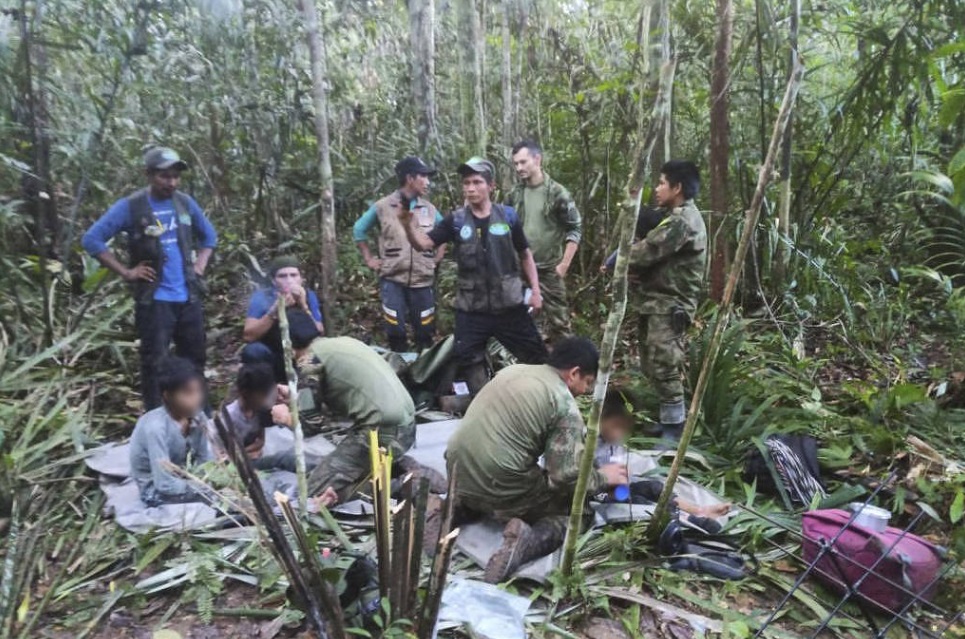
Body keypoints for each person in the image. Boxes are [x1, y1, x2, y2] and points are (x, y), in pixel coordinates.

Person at [445, 337, 629, 583]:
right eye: (587, 382)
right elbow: (564, 477)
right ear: (573, 373)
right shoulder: (563, 404)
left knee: (507, 473)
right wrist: (603, 476)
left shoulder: (513, 371)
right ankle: (527, 542)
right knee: (578, 514)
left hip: (456, 471)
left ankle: (456, 508)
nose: (584, 391)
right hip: (499, 482)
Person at [83, 147, 218, 409]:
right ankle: (158, 419)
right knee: (154, 361)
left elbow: (209, 237)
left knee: (195, 359)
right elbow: (92, 239)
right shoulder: (131, 207)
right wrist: (126, 272)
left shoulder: (184, 203)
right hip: (155, 300)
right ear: (148, 174)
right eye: (164, 176)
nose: (172, 182)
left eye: (175, 176)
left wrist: (199, 265)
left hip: (188, 296)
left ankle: (202, 417)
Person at [400, 156, 547, 392]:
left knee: (536, 356)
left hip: (509, 304)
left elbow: (525, 254)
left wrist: (536, 291)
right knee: (467, 356)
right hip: (471, 308)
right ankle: (485, 402)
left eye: (477, 182)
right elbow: (424, 244)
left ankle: (541, 401)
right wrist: (408, 225)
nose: (470, 188)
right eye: (466, 183)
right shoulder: (455, 221)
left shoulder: (508, 216)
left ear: (491, 186)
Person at [627, 160, 707, 441]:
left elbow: (646, 251)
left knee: (665, 363)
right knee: (652, 362)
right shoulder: (673, 216)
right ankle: (668, 419)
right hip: (657, 301)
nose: (657, 188)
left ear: (678, 188)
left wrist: (621, 258)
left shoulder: (682, 221)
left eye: (662, 183)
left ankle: (674, 429)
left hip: (670, 304)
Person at [297, 334, 418, 507]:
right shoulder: (344, 342)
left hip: (381, 434)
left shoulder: (309, 358)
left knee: (312, 495)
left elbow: (310, 424)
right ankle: (395, 473)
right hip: (407, 428)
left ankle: (397, 487)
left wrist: (289, 416)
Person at [594, 390, 729, 526]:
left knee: (654, 487)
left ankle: (698, 511)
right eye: (616, 425)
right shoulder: (587, 443)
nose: (619, 433)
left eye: (624, 428)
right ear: (601, 417)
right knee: (637, 502)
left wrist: (622, 478)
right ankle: (686, 520)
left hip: (615, 491)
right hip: (597, 496)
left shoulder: (613, 444)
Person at [353, 156, 445, 352]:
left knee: (425, 329)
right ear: (410, 178)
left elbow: (444, 232)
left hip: (422, 281)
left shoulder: (429, 209)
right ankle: (399, 369)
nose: (428, 182)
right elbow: (359, 230)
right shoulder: (383, 206)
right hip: (393, 279)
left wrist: (437, 258)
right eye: (424, 177)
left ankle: (424, 372)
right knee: (395, 329)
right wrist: (369, 259)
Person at [506, 140, 582, 343]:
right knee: (521, 322)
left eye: (523, 162)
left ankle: (566, 368)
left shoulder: (558, 193)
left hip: (549, 269)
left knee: (559, 324)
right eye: (516, 164)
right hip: (520, 269)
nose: (519, 168)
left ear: (537, 159)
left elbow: (574, 228)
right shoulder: (514, 194)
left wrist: (564, 265)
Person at [129, 356, 213, 506]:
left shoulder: (198, 416)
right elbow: (164, 483)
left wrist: (208, 478)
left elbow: (205, 458)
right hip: (156, 489)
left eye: (198, 391)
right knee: (214, 501)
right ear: (168, 395)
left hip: (186, 478)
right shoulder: (156, 428)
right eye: (188, 393)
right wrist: (201, 488)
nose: (196, 398)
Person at [241, 256, 324, 382]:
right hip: (274, 352)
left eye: (293, 275)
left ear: (301, 279)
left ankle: (310, 387)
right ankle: (266, 390)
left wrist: (303, 306)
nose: (289, 280)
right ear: (274, 281)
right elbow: (249, 335)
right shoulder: (262, 297)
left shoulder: (308, 295)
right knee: (253, 351)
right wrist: (275, 311)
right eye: (282, 276)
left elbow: (320, 331)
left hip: (303, 352)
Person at [210, 363, 296, 471]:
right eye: (263, 394)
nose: (267, 399)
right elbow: (226, 458)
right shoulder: (229, 419)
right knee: (282, 459)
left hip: (251, 456)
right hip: (240, 468)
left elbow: (260, 442)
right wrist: (246, 454)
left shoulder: (259, 409)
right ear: (245, 393)